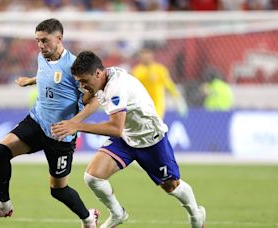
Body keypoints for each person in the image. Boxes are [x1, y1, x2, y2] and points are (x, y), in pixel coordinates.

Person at [51, 51, 206, 228]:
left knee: (171, 186)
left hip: (150, 139)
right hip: (126, 137)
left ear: (98, 73)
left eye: (84, 81)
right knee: (93, 177)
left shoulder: (116, 87)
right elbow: (91, 98)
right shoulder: (102, 77)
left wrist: (76, 126)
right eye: (80, 81)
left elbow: (115, 128)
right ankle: (118, 214)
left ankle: (196, 215)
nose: (82, 85)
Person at [0, 19, 100, 228]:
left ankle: (88, 218)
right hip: (37, 121)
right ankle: (4, 204)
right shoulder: (41, 57)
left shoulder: (75, 66)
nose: (40, 46)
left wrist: (74, 123)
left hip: (60, 134)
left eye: (45, 41)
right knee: (0, 153)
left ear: (59, 39)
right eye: (37, 41)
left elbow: (95, 99)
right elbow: (50, 75)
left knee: (58, 190)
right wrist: (32, 80)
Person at [131, 48, 187, 119]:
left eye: (148, 56)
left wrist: (178, 99)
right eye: (143, 56)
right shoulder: (137, 71)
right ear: (140, 58)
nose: (146, 58)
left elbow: (169, 85)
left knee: (155, 122)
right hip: (143, 103)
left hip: (158, 103)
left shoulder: (159, 69)